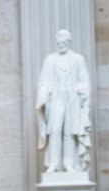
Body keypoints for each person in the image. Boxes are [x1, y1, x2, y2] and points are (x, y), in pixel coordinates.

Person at [35, 29, 91, 174]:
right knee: (54, 130)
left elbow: (84, 80)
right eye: (59, 43)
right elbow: (44, 82)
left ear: (69, 42)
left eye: (64, 42)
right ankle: (54, 163)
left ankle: (68, 164)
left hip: (72, 99)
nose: (61, 45)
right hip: (56, 99)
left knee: (69, 132)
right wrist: (42, 98)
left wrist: (81, 91)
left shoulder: (78, 59)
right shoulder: (50, 60)